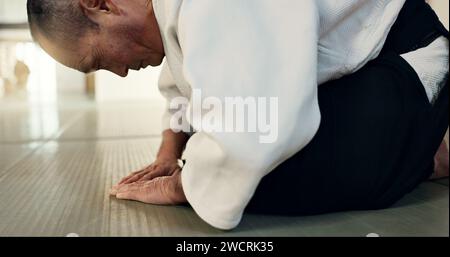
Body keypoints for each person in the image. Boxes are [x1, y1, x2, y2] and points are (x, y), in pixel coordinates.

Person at [26, 0, 449, 230]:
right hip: (346, 76)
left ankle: (424, 151)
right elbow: (185, 77)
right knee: (214, 161)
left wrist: (181, 187)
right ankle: (409, 141)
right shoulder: (170, 10)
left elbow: (260, 129)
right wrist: (168, 153)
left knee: (264, 177)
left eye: (100, 60)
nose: (118, 72)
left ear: (100, 5)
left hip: (405, 60)